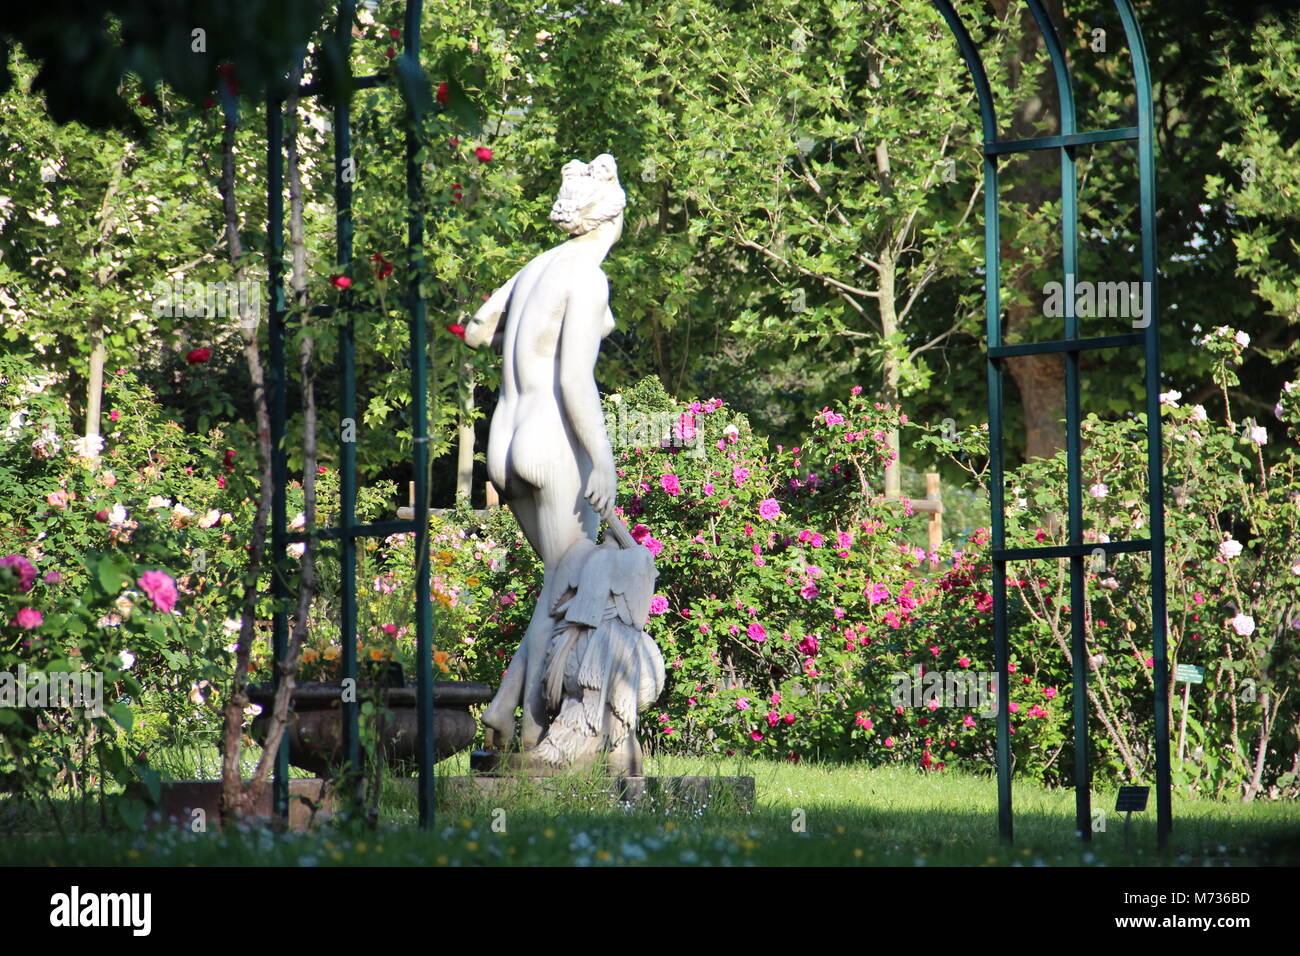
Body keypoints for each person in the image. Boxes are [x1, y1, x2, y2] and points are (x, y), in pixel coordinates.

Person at [463, 154, 627, 750]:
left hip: (504, 437)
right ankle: (531, 735)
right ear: (611, 220)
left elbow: (478, 329)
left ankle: (506, 709)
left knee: (558, 579)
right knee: (568, 580)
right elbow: (575, 381)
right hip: (550, 439)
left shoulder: (538, 267)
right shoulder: (587, 276)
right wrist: (603, 459)